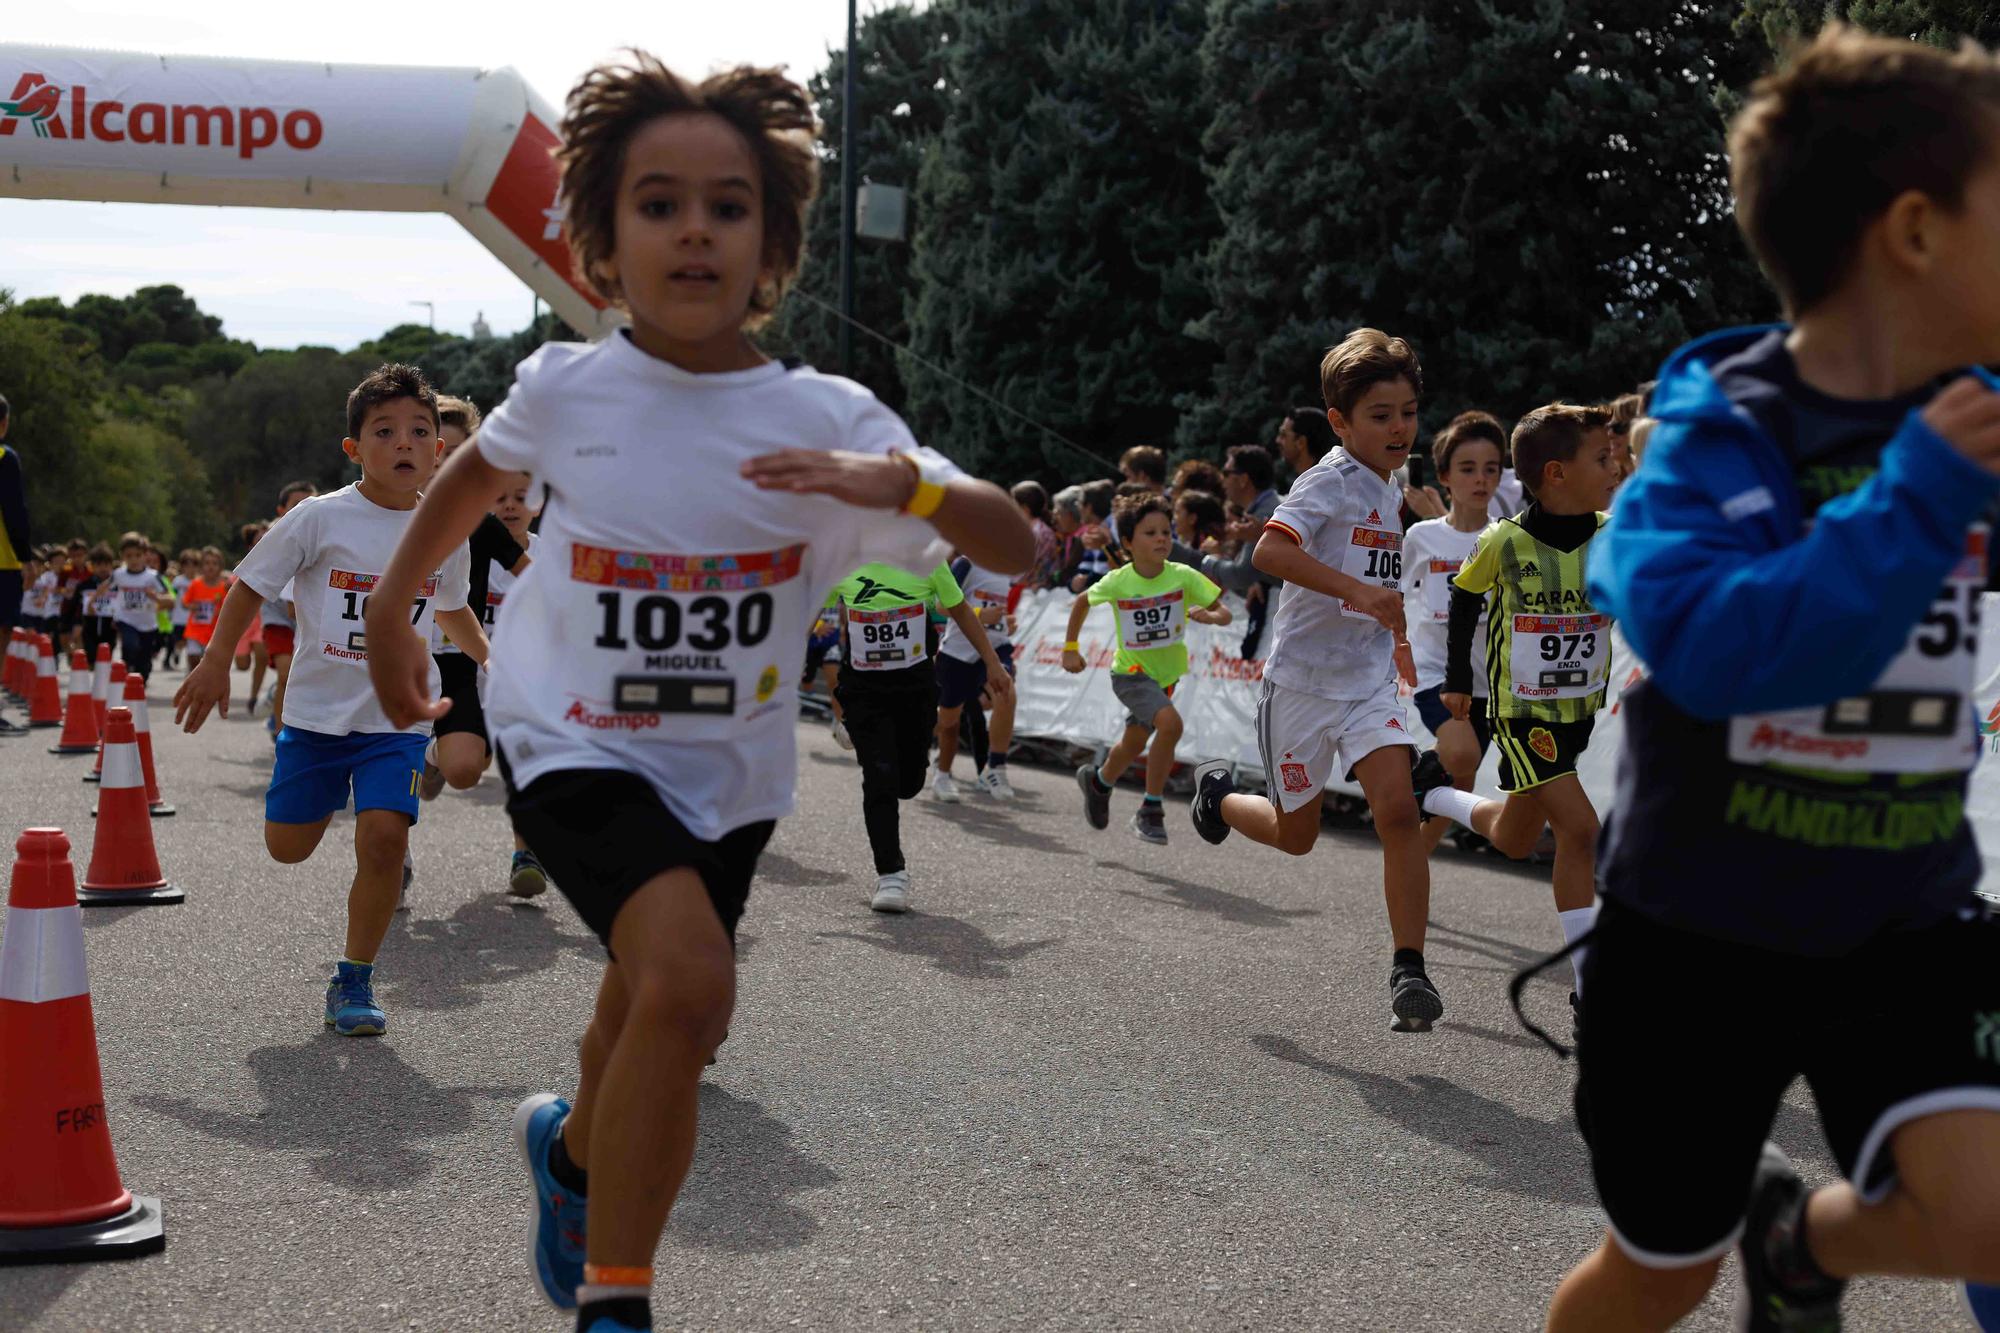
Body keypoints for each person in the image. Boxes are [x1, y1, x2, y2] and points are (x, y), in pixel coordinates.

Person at [358, 55, 1032, 1333]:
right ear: (603, 236)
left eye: (727, 205)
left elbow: (1014, 547)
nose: (693, 229)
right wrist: (394, 606)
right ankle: (619, 1303)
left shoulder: (831, 418)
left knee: (645, 1009)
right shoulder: (571, 387)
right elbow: (463, 481)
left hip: (726, 773)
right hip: (564, 733)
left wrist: (912, 490)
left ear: (770, 238)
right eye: (657, 203)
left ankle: (567, 1159)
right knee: (688, 982)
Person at [1545, 27, 2000, 1331]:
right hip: (1695, 942)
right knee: (1662, 1268)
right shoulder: (1712, 446)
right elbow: (1721, 648)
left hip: (1909, 918)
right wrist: (1922, 495)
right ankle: (1750, 1244)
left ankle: (1803, 1242)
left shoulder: (1977, 416)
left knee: (1986, 1212)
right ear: (1914, 231)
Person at [173, 362, 482, 1040]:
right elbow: (251, 583)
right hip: (314, 716)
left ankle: (355, 977)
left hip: (394, 720)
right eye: (384, 430)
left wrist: (496, 666)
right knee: (288, 847)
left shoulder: (446, 530)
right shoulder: (317, 518)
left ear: (438, 448)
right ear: (353, 448)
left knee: (382, 838)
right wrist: (218, 659)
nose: (404, 442)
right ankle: (313, 800)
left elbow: (453, 610)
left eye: (419, 431)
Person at [1186, 330, 1445, 1032]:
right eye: (1381, 415)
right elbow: (1270, 550)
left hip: (1364, 683)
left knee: (1398, 811)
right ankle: (1219, 794)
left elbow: (1382, 577)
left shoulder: (1391, 488)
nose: (1399, 428)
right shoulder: (1326, 479)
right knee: (1297, 835)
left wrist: (1391, 633)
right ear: (1340, 421)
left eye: (1409, 411)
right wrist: (1358, 595)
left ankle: (1409, 968)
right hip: (1300, 684)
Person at [1415, 404, 1618, 1014]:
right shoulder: (1504, 541)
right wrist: (1456, 680)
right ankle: (1590, 993)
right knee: (1581, 831)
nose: (1615, 469)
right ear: (1556, 473)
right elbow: (1462, 598)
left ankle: (1434, 794)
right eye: (1603, 459)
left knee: (1511, 836)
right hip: (1520, 714)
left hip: (1577, 711)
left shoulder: (1613, 533)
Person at [834, 560, 1007, 900]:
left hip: (915, 688)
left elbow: (960, 610)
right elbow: (805, 620)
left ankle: (858, 732)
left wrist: (992, 661)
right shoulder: (841, 558)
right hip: (864, 689)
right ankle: (891, 874)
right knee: (879, 775)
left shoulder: (926, 561)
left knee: (909, 783)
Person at [1065, 492, 1230, 845]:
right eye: (1150, 533)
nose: (1161, 539)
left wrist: (1210, 616)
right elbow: (1081, 601)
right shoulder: (1119, 580)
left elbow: (1224, 611)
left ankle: (1098, 782)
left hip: (1166, 677)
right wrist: (1070, 649)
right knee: (1170, 724)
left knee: (1133, 742)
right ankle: (1151, 809)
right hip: (1130, 673)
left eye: (1166, 532)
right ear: (1127, 542)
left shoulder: (1184, 576)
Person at [417, 396, 529, 803]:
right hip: (390, 660)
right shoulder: (377, 517)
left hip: (457, 662)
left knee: (466, 770)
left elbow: (533, 578)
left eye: (457, 457)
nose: (443, 467)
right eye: (435, 452)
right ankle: (396, 857)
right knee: (386, 760)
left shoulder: (481, 524)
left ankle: (431, 755)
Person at [1401, 417, 1502, 853]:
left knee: (1463, 777)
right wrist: (1394, 646)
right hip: (1435, 673)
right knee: (1461, 758)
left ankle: (1413, 856)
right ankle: (1408, 773)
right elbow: (1394, 596)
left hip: (1490, 681)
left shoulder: (1510, 539)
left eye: (1491, 468)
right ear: (1443, 477)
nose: (1480, 479)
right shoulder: (1421, 537)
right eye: (1467, 468)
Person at [484, 470, 554, 899]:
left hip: (524, 683)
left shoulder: (553, 559)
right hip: (468, 675)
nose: (509, 505)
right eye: (499, 496)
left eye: (520, 497)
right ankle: (436, 756)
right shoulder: (470, 550)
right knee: (465, 765)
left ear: (539, 504)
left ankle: (526, 854)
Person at [933, 552, 1019, 800]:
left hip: (993, 650)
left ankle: (995, 767)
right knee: (949, 720)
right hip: (958, 652)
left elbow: (995, 613)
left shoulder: (1007, 567)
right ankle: (941, 773)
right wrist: (982, 615)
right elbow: (942, 606)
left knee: (1006, 690)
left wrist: (1004, 623)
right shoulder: (967, 563)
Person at [262, 481, 318, 733]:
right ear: (281, 510)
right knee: (286, 674)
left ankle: (283, 707)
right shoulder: (276, 538)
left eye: (311, 502)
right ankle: (280, 731)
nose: (305, 509)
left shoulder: (324, 534)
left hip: (310, 621)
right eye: (297, 504)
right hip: (280, 619)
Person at [106, 532, 171, 684]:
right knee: (130, 644)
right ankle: (126, 667)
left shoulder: (152, 576)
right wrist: (92, 603)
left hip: (148, 623)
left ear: (144, 555)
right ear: (122, 556)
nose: (134, 559)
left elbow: (169, 598)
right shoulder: (118, 575)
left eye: (138, 555)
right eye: (129, 556)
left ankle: (142, 676)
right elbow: (105, 588)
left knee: (144, 659)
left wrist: (155, 597)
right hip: (126, 619)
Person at [232, 522, 268, 705]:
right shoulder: (240, 570)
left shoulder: (276, 567)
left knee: (262, 657)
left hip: (262, 621)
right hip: (244, 623)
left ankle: (254, 697)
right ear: (250, 546)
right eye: (259, 541)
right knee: (243, 665)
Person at [180, 547, 228, 669]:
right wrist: (191, 606)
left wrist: (220, 611)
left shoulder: (223, 587)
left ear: (220, 567)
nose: (210, 566)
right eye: (207, 563)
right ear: (201, 566)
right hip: (195, 629)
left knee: (210, 662)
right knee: (194, 656)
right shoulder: (195, 584)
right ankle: (193, 674)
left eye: (214, 563)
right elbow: (184, 603)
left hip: (214, 632)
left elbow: (227, 607)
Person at [1011, 479, 1062, 589]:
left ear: (1025, 508)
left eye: (1014, 504)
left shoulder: (1037, 533)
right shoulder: (1038, 530)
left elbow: (1028, 569)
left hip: (1030, 591)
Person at [78, 543, 116, 665]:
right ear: (92, 566)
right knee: (91, 654)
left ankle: (104, 680)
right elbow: (77, 605)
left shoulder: (116, 586)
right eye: (99, 565)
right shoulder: (85, 585)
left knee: (106, 654)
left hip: (109, 625)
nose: (103, 568)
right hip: (90, 625)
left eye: (106, 564)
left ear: (111, 565)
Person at [1274, 404, 1337, 480]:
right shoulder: (1328, 476)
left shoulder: (1320, 484)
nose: (1277, 440)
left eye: (1283, 435)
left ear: (1301, 442)